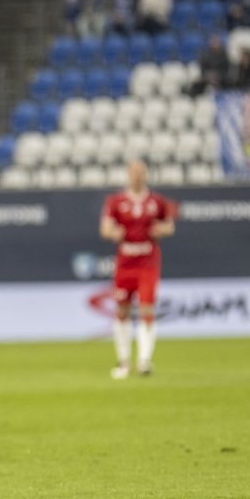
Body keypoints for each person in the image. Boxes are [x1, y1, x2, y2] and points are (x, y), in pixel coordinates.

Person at [99, 159, 175, 380]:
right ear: (128, 175)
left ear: (146, 175)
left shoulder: (157, 202)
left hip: (147, 263)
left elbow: (169, 226)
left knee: (147, 309)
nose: (138, 176)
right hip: (125, 263)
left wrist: (161, 229)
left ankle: (144, 361)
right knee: (122, 310)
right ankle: (123, 361)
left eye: (141, 172)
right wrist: (113, 233)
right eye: (134, 172)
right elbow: (105, 228)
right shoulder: (116, 201)